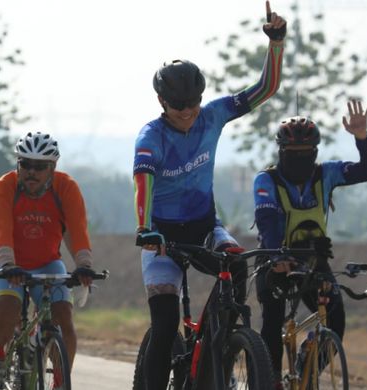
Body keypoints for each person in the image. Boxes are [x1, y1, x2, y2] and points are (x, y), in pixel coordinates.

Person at [132, 3, 286, 389]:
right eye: (179, 105)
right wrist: (145, 228)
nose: (188, 112)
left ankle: (223, 345)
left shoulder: (212, 115)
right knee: (165, 325)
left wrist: (276, 44)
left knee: (236, 266)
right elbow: (143, 183)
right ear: (162, 102)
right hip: (161, 237)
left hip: (204, 227)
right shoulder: (151, 136)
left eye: (194, 103)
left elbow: (265, 89)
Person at [254, 100, 367, 385]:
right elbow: (267, 221)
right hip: (275, 259)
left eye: (306, 153)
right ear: (281, 151)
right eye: (293, 153)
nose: (300, 158)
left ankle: (308, 370)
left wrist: (362, 137)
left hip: (313, 259)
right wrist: (276, 257)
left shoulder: (327, 173)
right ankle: (270, 380)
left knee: (336, 320)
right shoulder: (266, 180)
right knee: (272, 326)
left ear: (315, 152)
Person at [0, 131, 97, 390]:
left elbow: (77, 231)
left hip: (47, 261)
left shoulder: (66, 188)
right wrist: (9, 265)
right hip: (5, 262)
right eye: (26, 164)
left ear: (53, 167)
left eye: (40, 166)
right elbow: (2, 231)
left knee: (63, 319)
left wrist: (84, 266)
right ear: (18, 164)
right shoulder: (5, 187)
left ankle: (59, 381)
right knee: (7, 311)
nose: (31, 172)